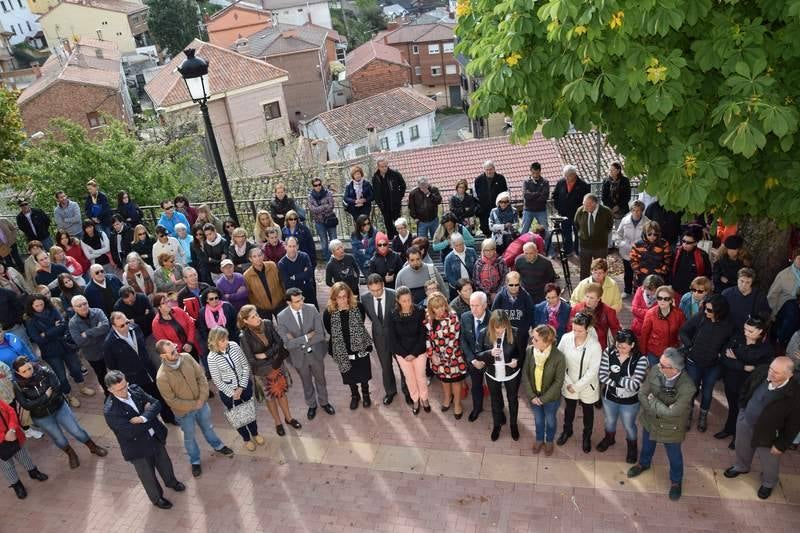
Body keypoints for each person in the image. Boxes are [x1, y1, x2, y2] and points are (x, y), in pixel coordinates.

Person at [103, 370, 184, 509]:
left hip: (154, 436)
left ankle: (171, 482)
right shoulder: (111, 411)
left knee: (164, 462)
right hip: (137, 447)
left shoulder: (135, 389)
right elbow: (130, 431)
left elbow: (157, 404)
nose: (124, 391)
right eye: (119, 390)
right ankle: (157, 498)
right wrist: (149, 415)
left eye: (125, 385)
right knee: (147, 475)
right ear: (110, 390)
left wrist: (142, 418)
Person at [723, 357, 800, 500]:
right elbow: (746, 387)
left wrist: (781, 445)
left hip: (769, 433)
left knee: (770, 461)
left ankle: (768, 483)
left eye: (776, 372)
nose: (770, 374)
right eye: (771, 368)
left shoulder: (795, 394)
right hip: (746, 420)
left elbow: (794, 424)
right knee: (742, 447)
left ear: (789, 375)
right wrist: (742, 410)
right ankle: (741, 467)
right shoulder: (762, 372)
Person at [155, 340, 233, 477]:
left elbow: (201, 378)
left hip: (201, 404)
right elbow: (171, 401)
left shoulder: (187, 357)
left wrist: (202, 398)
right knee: (189, 438)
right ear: (163, 356)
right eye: (172, 352)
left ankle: (218, 446)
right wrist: (194, 405)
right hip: (184, 413)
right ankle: (195, 461)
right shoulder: (162, 377)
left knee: (208, 428)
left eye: (175, 348)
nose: (176, 352)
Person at [13, 356, 107, 469]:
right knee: (59, 438)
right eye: (24, 371)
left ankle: (93, 447)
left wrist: (38, 402)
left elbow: (57, 389)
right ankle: (71, 454)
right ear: (18, 373)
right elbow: (26, 405)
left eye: (29, 368)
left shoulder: (45, 371)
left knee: (76, 430)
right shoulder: (17, 386)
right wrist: (45, 396)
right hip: (42, 417)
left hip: (59, 407)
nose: (28, 372)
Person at [627, 348, 696, 501]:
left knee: (674, 456)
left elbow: (673, 413)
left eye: (663, 365)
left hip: (671, 427)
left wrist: (653, 400)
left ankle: (676, 481)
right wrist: (661, 407)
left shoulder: (688, 387)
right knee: (646, 446)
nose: (658, 367)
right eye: (660, 363)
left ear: (675, 369)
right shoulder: (656, 370)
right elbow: (642, 393)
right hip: (650, 420)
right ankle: (644, 464)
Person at [237, 306, 301, 437]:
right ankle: (278, 423)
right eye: (253, 317)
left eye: (257, 314)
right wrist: (270, 362)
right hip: (262, 372)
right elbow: (251, 360)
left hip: (277, 365)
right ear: (245, 321)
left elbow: (279, 343)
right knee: (270, 398)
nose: (257, 318)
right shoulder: (244, 336)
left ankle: (289, 418)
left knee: (282, 394)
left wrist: (266, 354)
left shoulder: (267, 323)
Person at [105, 311, 176, 424]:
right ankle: (153, 425)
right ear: (114, 327)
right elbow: (112, 366)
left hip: (149, 372)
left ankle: (169, 418)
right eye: (122, 325)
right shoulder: (109, 343)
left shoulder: (136, 328)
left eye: (127, 322)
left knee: (160, 397)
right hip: (135, 379)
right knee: (144, 405)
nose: (126, 326)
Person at [25, 295, 94, 407]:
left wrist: (46, 333)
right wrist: (54, 329)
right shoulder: (30, 320)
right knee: (61, 376)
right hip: (50, 352)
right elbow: (37, 339)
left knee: (76, 368)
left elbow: (62, 326)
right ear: (31, 306)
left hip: (65, 346)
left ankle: (82, 387)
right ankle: (69, 395)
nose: (40, 307)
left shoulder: (52, 310)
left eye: (41, 304)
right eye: (36, 305)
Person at [715, 316, 774, 447]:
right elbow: (725, 357)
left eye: (750, 331)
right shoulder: (737, 338)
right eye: (745, 329)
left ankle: (738, 437)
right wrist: (744, 366)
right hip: (731, 381)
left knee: (742, 412)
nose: (746, 332)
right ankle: (728, 429)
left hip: (749, 386)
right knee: (732, 408)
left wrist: (736, 360)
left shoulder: (766, 349)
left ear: (760, 331)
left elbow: (763, 369)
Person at [274, 293, 334, 420]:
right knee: (306, 382)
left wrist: (297, 340)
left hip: (316, 353)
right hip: (298, 357)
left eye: (302, 299)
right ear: (289, 303)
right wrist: (306, 337)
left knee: (321, 379)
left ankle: (324, 402)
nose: (301, 303)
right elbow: (287, 344)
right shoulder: (282, 316)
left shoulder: (311, 308)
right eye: (296, 301)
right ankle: (312, 405)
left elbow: (320, 334)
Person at [679, 293, 734, 432]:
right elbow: (683, 331)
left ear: (719, 311)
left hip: (713, 365)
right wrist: (689, 345)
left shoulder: (728, 325)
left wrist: (722, 353)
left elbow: (731, 342)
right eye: (705, 308)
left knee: (708, 392)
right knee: (692, 390)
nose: (706, 312)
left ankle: (703, 416)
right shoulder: (700, 318)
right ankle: (689, 414)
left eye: (709, 310)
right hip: (694, 361)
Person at [206, 327, 263, 451]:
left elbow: (245, 366)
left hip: (244, 387)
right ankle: (246, 439)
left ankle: (255, 433)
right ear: (214, 342)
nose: (226, 342)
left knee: (249, 412)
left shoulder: (234, 346)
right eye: (222, 340)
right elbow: (217, 380)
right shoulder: (211, 357)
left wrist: (241, 387)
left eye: (226, 338)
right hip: (229, 393)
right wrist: (233, 393)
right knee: (238, 417)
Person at [597, 329, 648, 462]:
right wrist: (624, 380)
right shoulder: (608, 352)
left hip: (630, 402)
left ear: (632, 345)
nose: (620, 349)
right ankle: (609, 439)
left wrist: (614, 377)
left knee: (629, 425)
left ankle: (632, 448)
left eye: (624, 347)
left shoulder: (641, 360)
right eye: (618, 345)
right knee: (609, 421)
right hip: (610, 397)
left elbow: (634, 385)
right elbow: (602, 376)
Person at [557, 312, 602, 453]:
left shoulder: (595, 346)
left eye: (580, 331)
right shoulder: (565, 338)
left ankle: (586, 437)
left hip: (587, 387)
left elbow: (593, 371)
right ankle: (567, 431)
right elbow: (559, 361)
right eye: (574, 329)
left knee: (588, 414)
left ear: (588, 329)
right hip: (568, 383)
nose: (575, 333)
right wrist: (568, 382)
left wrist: (576, 387)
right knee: (569, 411)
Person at [323, 282, 373, 409]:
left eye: (344, 296)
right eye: (338, 297)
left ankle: (366, 394)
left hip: (360, 347)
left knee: (363, 373)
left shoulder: (358, 307)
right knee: (349, 375)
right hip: (342, 350)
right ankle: (355, 395)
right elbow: (330, 331)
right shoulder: (328, 313)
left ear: (349, 296)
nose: (342, 300)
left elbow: (361, 324)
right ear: (333, 298)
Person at [361, 274, 409, 405]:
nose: (376, 293)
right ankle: (390, 392)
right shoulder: (364, 298)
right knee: (385, 366)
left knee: (402, 365)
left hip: (397, 336)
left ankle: (407, 391)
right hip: (379, 337)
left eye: (378, 290)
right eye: (372, 290)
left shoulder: (394, 295)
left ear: (383, 285)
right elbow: (370, 318)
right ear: (368, 288)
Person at [476, 310, 523, 441]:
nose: (500, 330)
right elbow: (477, 354)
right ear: (491, 325)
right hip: (492, 374)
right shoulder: (483, 333)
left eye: (503, 327)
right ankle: (497, 425)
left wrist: (516, 361)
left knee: (513, 400)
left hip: (511, 374)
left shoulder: (515, 332)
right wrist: (489, 353)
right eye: (497, 328)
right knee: (495, 400)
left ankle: (513, 424)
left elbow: (520, 353)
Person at [522, 324, 565, 455]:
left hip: (551, 399)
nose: (532, 341)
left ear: (546, 342)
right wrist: (532, 396)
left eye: (535, 339)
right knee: (538, 420)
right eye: (532, 338)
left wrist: (543, 399)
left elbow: (558, 382)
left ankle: (550, 440)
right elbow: (525, 373)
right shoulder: (530, 351)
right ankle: (539, 439)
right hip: (534, 397)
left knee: (551, 420)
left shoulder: (558, 357)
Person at [386, 286, 429, 415]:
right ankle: (415, 400)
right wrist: (405, 354)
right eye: (404, 301)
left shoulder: (420, 311)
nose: (407, 303)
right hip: (402, 353)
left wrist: (414, 353)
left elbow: (423, 335)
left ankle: (425, 399)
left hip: (419, 351)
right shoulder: (392, 314)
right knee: (409, 378)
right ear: (398, 300)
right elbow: (392, 338)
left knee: (421, 377)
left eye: (409, 300)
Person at [0, 398, 48, 499]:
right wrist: (4, 437)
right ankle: (17, 485)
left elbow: (11, 411)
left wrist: (12, 429)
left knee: (24, 456)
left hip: (14, 435)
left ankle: (33, 472)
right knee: (7, 466)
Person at [68, 295, 110, 394]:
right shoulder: (73, 323)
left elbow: (106, 327)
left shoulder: (98, 312)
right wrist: (98, 333)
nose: (83, 307)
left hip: (109, 349)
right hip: (93, 355)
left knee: (118, 370)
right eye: (79, 305)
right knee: (102, 375)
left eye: (84, 303)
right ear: (74, 308)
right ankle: (108, 394)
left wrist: (87, 333)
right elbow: (80, 342)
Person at [640, 285, 685, 366]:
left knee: (669, 376)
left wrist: (680, 348)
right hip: (654, 352)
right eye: (659, 298)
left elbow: (683, 333)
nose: (662, 301)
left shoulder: (679, 314)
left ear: (671, 300)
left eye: (666, 299)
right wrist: (643, 353)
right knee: (655, 376)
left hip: (671, 353)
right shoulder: (650, 313)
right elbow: (644, 334)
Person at [568, 282, 621, 351]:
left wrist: (618, 345)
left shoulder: (608, 311)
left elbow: (615, 329)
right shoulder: (577, 308)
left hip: (599, 346)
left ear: (598, 299)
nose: (588, 300)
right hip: (579, 345)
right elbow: (569, 327)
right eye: (587, 296)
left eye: (592, 298)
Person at [551, 165, 591, 256]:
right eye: (564, 175)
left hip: (578, 214)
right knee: (566, 233)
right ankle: (568, 251)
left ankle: (578, 251)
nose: (566, 178)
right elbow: (554, 195)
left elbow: (587, 200)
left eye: (567, 176)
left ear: (574, 174)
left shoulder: (583, 185)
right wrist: (558, 207)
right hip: (564, 214)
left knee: (578, 234)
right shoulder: (561, 182)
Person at [574, 193, 614, 280]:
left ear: (595, 204)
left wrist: (600, 235)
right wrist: (583, 234)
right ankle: (584, 287)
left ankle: (600, 287)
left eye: (587, 205)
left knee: (600, 269)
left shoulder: (606, 212)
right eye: (584, 204)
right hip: (584, 246)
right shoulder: (580, 211)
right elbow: (576, 224)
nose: (584, 208)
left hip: (600, 246)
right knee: (584, 269)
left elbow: (609, 226)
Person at [614, 199, 648, 297]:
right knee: (628, 272)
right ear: (631, 210)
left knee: (640, 273)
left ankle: (639, 292)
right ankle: (627, 290)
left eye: (638, 210)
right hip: (626, 251)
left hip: (641, 253)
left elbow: (649, 238)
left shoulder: (647, 222)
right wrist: (621, 243)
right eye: (634, 210)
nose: (636, 212)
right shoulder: (625, 220)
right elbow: (618, 234)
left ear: (642, 211)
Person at [151, 292, 201, 360]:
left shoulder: (178, 310)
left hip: (192, 345)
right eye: (163, 303)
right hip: (177, 354)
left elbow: (190, 323)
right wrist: (181, 348)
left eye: (168, 301)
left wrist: (189, 342)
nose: (168, 304)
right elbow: (164, 343)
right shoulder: (156, 324)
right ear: (158, 307)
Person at [492, 271, 533, 348]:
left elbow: (530, 314)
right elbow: (494, 314)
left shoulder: (526, 296)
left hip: (521, 335)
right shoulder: (500, 296)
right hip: (505, 334)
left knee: (521, 356)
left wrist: (525, 329)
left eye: (516, 285)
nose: (514, 287)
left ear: (520, 283)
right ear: (506, 284)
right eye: (511, 285)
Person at [243, 248, 285, 320]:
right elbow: (249, 293)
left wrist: (284, 297)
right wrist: (257, 306)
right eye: (254, 256)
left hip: (279, 304)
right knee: (267, 329)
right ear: (250, 259)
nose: (258, 258)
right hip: (262, 309)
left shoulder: (272, 265)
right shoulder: (247, 275)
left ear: (263, 256)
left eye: (260, 255)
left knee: (285, 327)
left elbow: (282, 282)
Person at [372, 156, 406, 239]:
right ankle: (391, 241)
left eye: (385, 166)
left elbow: (403, 186)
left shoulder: (395, 174)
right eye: (382, 166)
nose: (384, 168)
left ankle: (401, 239)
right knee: (388, 224)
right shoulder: (375, 177)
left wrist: (398, 198)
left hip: (395, 204)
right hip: (384, 205)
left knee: (398, 223)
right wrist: (378, 202)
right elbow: (375, 192)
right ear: (378, 167)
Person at [630, 220, 672, 286]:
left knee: (657, 294)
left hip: (658, 276)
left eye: (655, 234)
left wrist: (663, 270)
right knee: (641, 293)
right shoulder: (638, 244)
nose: (652, 236)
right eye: (649, 234)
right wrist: (638, 271)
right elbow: (633, 259)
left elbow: (668, 258)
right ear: (644, 233)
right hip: (642, 276)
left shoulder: (663, 244)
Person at [196, 287, 238, 352]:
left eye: (216, 298)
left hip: (231, 340)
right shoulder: (202, 312)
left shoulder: (228, 306)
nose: (214, 300)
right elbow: (203, 330)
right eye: (211, 299)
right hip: (215, 344)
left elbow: (235, 323)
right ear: (206, 300)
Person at [671, 227, 711, 295]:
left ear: (695, 243)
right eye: (683, 241)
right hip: (676, 289)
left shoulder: (703, 255)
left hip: (693, 291)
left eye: (688, 243)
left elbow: (707, 274)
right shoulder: (677, 252)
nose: (684, 244)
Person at [474, 160, 508, 238]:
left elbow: (505, 194)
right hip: (484, 211)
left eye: (490, 169)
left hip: (498, 210)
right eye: (487, 169)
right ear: (484, 170)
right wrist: (478, 209)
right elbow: (475, 196)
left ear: (494, 169)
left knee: (499, 230)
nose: (489, 171)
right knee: (486, 231)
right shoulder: (478, 180)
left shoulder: (501, 178)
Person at [307, 179, 338, 261]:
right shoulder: (310, 196)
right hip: (319, 222)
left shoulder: (328, 193)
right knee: (324, 243)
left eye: (319, 184)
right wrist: (324, 206)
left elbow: (331, 205)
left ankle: (336, 258)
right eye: (315, 185)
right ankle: (328, 260)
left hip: (330, 219)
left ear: (321, 184)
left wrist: (319, 208)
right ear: (313, 186)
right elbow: (312, 209)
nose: (318, 186)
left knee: (334, 240)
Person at [767, 249, 800, 319]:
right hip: (782, 312)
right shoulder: (783, 275)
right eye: (799, 258)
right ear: (794, 258)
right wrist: (774, 314)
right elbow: (772, 296)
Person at [408, 176, 443, 241]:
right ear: (418, 185)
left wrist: (429, 194)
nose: (423, 187)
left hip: (433, 219)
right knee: (421, 241)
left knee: (436, 239)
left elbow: (439, 200)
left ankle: (437, 251)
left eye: (425, 184)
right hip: (421, 221)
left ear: (428, 183)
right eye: (421, 185)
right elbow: (411, 207)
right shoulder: (413, 193)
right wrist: (415, 217)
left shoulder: (433, 189)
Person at [521, 162, 550, 235]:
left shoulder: (545, 182)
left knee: (545, 231)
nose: (536, 175)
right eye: (533, 173)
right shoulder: (526, 182)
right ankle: (522, 246)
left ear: (540, 171)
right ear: (530, 171)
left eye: (537, 173)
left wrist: (532, 196)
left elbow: (544, 197)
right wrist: (538, 193)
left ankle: (548, 246)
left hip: (541, 210)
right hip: (528, 210)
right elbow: (526, 195)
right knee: (524, 231)